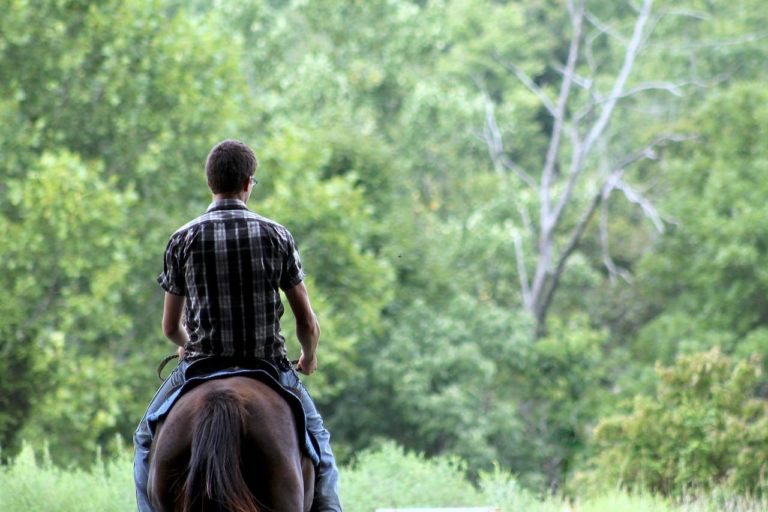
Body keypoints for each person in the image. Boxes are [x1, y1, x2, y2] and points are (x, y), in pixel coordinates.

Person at [133, 139, 342, 512]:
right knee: (319, 447)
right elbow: (306, 320)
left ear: (210, 182)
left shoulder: (182, 239)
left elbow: (169, 327)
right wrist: (308, 357)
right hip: (267, 368)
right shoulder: (276, 236)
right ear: (248, 182)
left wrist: (185, 344)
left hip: (200, 366)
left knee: (146, 441)